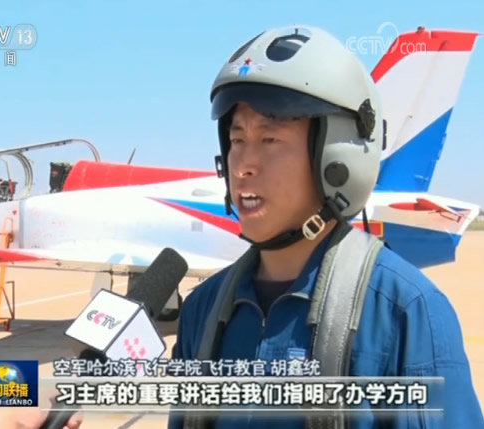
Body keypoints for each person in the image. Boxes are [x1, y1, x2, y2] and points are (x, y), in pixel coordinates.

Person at [167, 24, 484, 429]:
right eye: (237, 139)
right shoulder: (203, 312)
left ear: (337, 157)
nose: (242, 165)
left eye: (269, 139)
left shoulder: (405, 313)